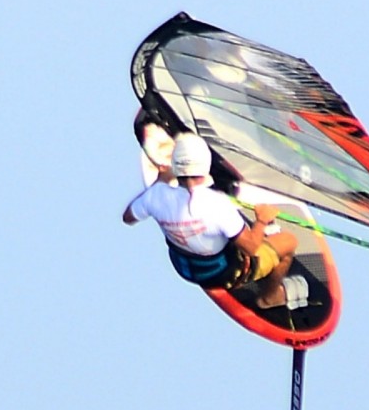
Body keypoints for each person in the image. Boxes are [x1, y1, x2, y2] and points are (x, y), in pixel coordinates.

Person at [123, 133, 304, 310]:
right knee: (288, 242)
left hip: (185, 269)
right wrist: (262, 220)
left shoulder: (155, 196)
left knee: (227, 229)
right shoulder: (217, 205)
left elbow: (128, 218)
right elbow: (250, 248)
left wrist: (159, 182)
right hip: (225, 274)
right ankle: (269, 297)